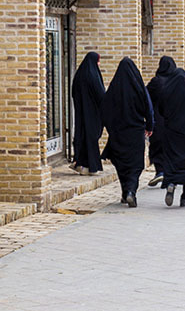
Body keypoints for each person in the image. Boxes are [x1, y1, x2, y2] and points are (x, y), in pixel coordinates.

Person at [146, 56, 185, 208]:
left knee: (172, 161)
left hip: (172, 133)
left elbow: (161, 108)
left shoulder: (166, 90)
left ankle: (171, 183)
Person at [101, 57, 154, 208]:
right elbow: (148, 108)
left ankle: (125, 192)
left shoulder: (113, 89)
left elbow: (104, 110)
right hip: (135, 132)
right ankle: (131, 191)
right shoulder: (139, 88)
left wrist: (110, 128)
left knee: (121, 163)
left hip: (118, 133)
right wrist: (149, 127)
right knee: (135, 164)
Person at [70, 52, 106, 175]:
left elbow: (73, 93)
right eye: (98, 61)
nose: (99, 64)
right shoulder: (93, 76)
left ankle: (81, 163)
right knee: (92, 137)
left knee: (82, 135)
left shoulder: (79, 75)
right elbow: (100, 94)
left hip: (81, 112)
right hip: (93, 113)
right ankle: (92, 166)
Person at [146, 58, 174, 187]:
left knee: (157, 147)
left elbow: (145, 99)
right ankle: (169, 174)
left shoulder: (155, 82)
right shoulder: (176, 82)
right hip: (173, 122)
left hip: (157, 121)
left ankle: (160, 171)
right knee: (171, 149)